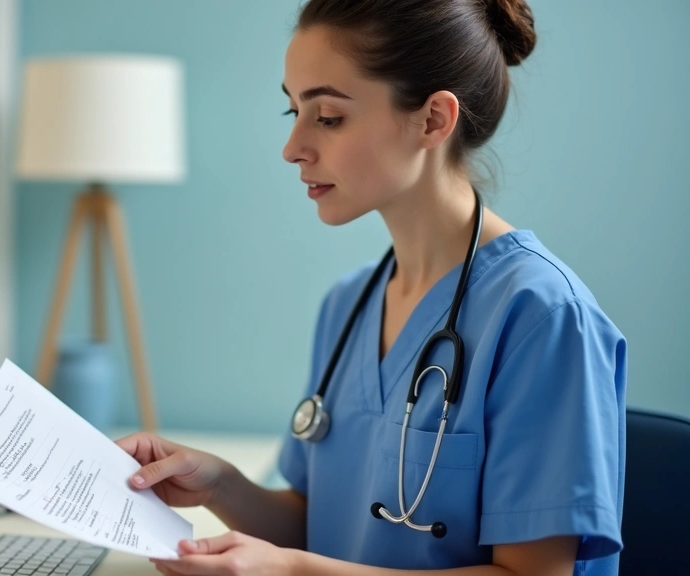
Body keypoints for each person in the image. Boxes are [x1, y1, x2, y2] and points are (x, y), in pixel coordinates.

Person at [117, 0, 628, 575]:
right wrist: (218, 484)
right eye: (293, 113)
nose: (293, 148)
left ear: (433, 119)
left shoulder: (542, 316)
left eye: (328, 117)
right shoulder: (349, 304)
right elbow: (326, 528)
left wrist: (292, 572)